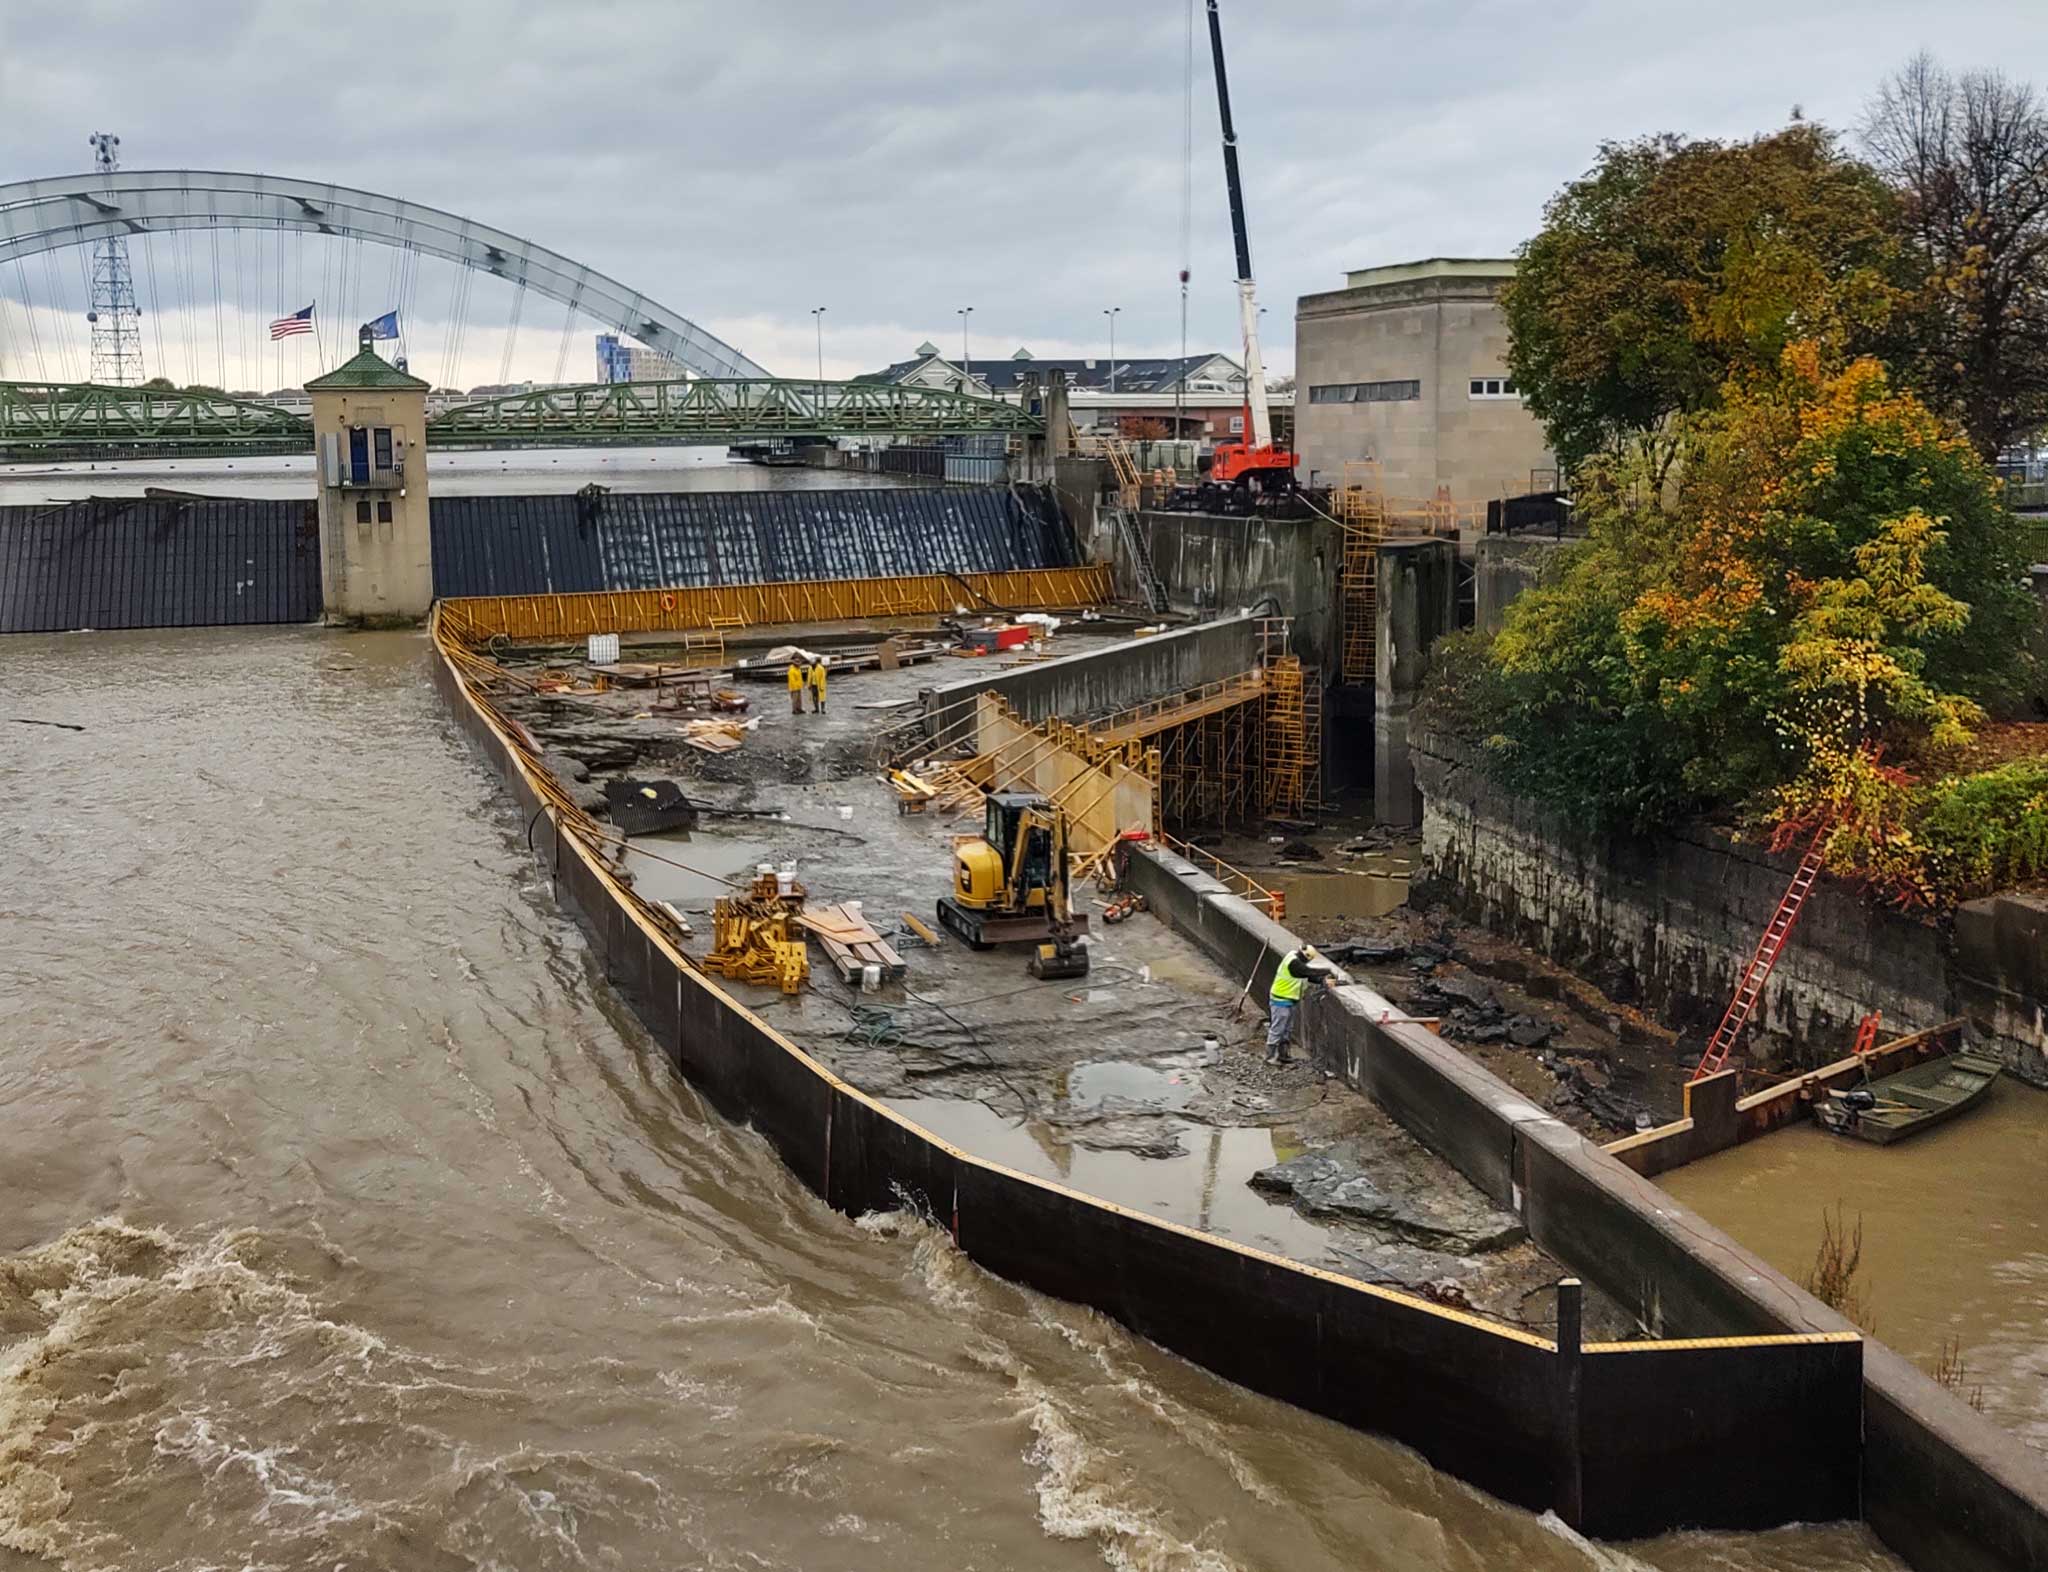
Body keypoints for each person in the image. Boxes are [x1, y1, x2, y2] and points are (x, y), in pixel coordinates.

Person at [1266, 944, 1335, 1065]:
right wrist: (1327, 971)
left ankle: (1283, 1055)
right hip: (1280, 1000)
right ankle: (1270, 1057)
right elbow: (1308, 972)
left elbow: (1305, 976)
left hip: (1290, 1000)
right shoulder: (1294, 963)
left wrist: (1321, 981)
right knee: (1278, 1029)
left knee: (1287, 1029)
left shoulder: (1296, 961)